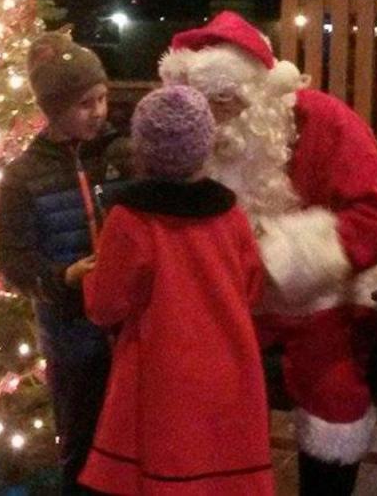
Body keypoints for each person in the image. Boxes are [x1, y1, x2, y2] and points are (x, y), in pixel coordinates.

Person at [158, 11, 377, 494]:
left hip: (321, 300)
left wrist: (282, 255)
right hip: (229, 305)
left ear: (263, 93)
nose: (217, 121)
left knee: (333, 392)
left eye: (227, 102)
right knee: (175, 372)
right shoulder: (189, 142)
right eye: (204, 104)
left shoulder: (327, 121)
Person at [77, 85, 273, 495]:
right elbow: (251, 286)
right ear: (205, 147)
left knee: (166, 478)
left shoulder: (130, 219)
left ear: (143, 151)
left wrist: (87, 277)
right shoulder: (231, 215)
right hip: (230, 371)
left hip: (160, 378)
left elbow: (105, 305)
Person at [0, 31, 131, 494]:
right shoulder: (23, 177)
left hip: (127, 326)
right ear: (54, 109)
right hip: (72, 333)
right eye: (85, 103)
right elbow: (14, 260)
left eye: (102, 98)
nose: (99, 111)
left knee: (132, 436)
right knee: (82, 439)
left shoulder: (120, 155)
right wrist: (62, 278)